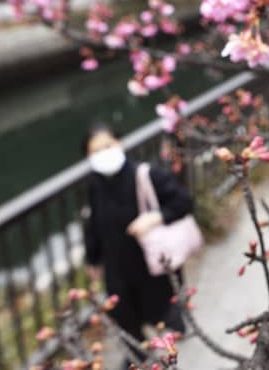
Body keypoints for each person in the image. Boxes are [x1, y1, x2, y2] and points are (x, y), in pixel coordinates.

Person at [82, 122, 192, 364]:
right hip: (117, 268)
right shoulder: (94, 185)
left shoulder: (146, 175)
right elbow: (93, 225)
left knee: (162, 305)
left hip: (151, 262)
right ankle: (137, 356)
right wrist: (92, 259)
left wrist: (155, 217)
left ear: (119, 143)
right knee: (124, 315)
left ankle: (173, 334)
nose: (103, 154)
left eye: (107, 146)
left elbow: (183, 202)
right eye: (95, 151)